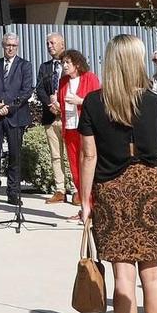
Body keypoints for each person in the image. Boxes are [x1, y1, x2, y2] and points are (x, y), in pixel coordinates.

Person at [77, 34, 157, 313]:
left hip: (111, 190)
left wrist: (85, 200)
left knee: (123, 279)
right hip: (150, 187)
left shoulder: (93, 103)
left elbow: (88, 156)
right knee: (153, 278)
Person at [0, 33, 35, 207]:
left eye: (14, 45)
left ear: (17, 46)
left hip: (16, 117)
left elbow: (26, 91)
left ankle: (13, 192)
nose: (11, 48)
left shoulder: (25, 65)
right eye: (8, 45)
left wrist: (8, 108)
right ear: (2, 45)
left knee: (14, 156)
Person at [56, 50, 99, 211]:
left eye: (68, 62)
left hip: (86, 130)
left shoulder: (90, 78)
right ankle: (83, 206)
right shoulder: (63, 82)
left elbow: (97, 103)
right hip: (69, 128)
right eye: (63, 63)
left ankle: (93, 206)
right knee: (75, 169)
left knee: (87, 167)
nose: (64, 66)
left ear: (77, 64)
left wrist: (80, 101)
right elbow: (62, 103)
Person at [37, 32, 72, 203]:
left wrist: (62, 106)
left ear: (62, 45)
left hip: (69, 117)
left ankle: (78, 189)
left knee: (72, 154)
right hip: (50, 117)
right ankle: (60, 189)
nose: (49, 46)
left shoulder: (72, 64)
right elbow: (40, 89)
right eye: (47, 43)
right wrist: (50, 105)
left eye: (53, 43)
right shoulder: (44, 67)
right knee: (55, 155)